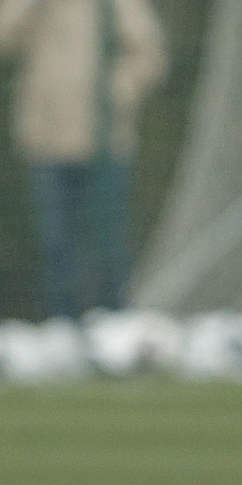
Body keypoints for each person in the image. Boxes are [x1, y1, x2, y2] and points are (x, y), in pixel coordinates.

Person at [0, 0, 166, 319]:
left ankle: (114, 321)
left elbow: (149, 52)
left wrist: (120, 89)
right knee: (55, 242)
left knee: (107, 241)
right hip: (46, 138)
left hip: (104, 142)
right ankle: (64, 322)